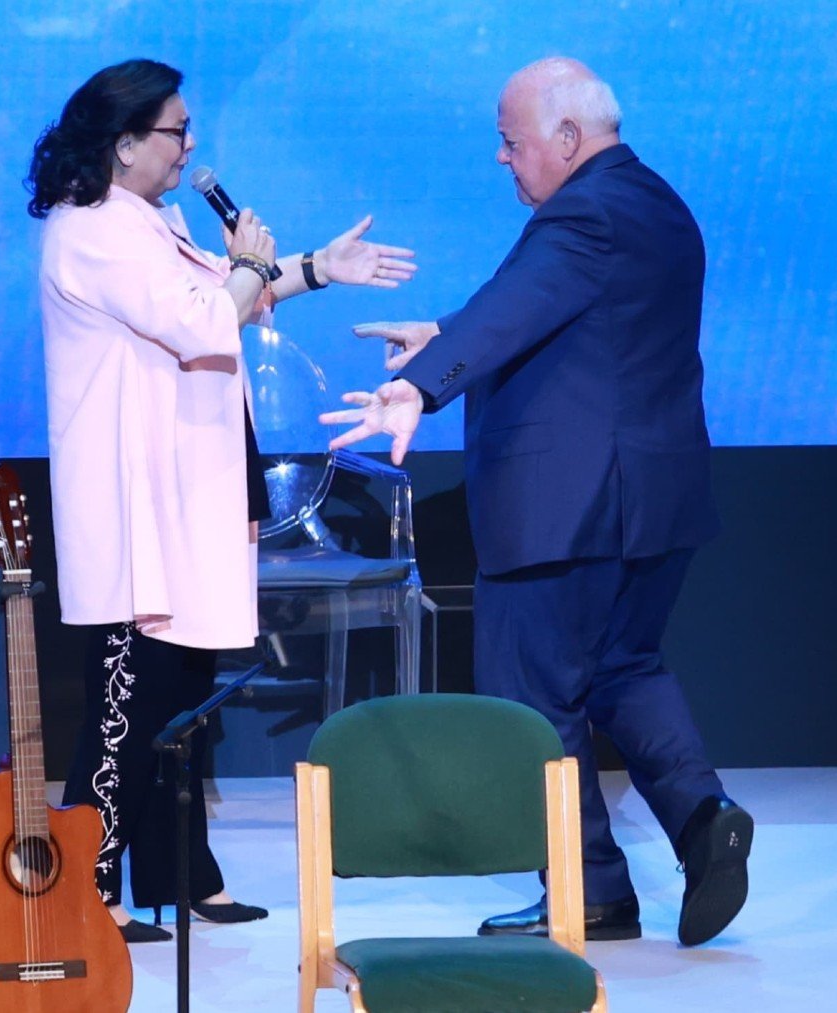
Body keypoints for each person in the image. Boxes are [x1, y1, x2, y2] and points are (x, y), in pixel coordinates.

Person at [322, 57, 752, 947]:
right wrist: (447, 334)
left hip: (568, 506)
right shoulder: (655, 202)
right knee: (625, 668)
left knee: (536, 699)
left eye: (511, 142)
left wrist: (422, 385)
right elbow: (563, 315)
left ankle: (589, 893)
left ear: (567, 137)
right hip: (652, 504)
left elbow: (525, 300)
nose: (502, 159)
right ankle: (707, 818)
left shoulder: (583, 212)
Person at [28, 58, 415, 944]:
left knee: (182, 694)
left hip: (190, 483)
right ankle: (93, 890)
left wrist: (316, 267)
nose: (191, 145)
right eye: (176, 131)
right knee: (125, 699)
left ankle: (178, 873)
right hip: (137, 501)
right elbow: (209, 314)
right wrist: (245, 267)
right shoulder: (89, 228)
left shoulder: (149, 222)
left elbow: (229, 295)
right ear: (124, 145)